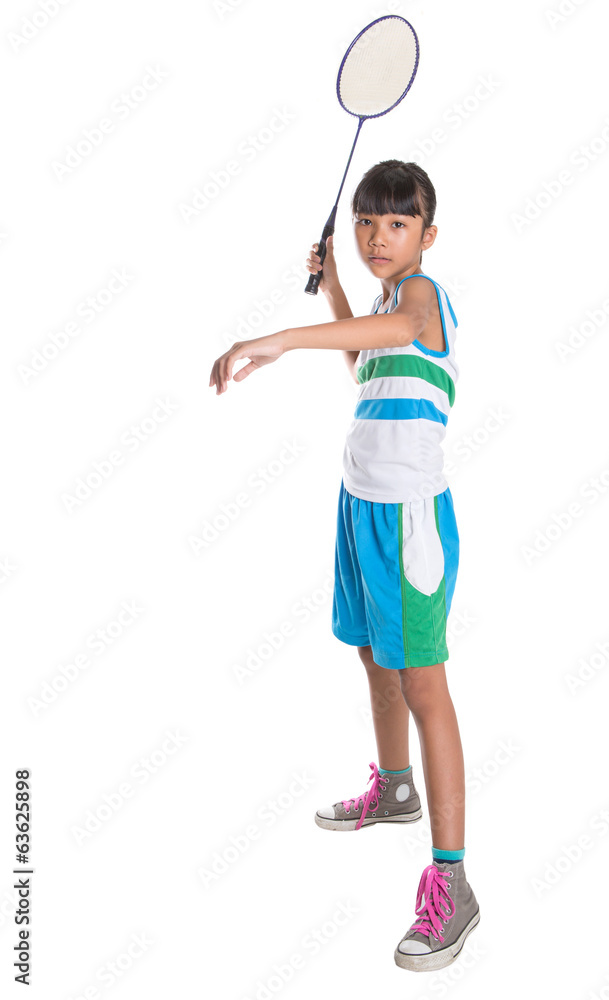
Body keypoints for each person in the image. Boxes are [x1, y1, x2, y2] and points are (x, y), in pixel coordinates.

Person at [208, 159, 480, 972]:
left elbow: (393, 337)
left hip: (406, 525)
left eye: (396, 223)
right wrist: (331, 291)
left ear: (427, 236)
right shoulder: (381, 303)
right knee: (372, 656)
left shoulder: (422, 300)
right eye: (365, 223)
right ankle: (394, 788)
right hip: (357, 507)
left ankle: (453, 886)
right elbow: (365, 367)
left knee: (423, 682)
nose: (376, 237)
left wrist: (279, 338)